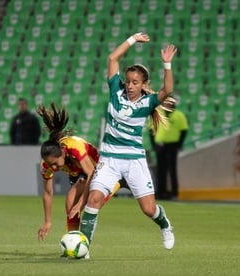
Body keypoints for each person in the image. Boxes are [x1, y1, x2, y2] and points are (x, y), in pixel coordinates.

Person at [79, 32, 177, 255]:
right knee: (93, 199)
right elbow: (113, 59)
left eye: (136, 82)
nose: (131, 85)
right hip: (109, 160)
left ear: (143, 85)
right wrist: (133, 39)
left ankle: (165, 224)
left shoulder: (147, 102)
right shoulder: (116, 92)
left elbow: (167, 90)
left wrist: (167, 64)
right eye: (129, 81)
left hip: (134, 161)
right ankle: (83, 247)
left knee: (148, 209)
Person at [36, 102, 126, 243]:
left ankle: (118, 182)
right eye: (49, 164)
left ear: (63, 153)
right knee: (71, 205)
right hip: (79, 175)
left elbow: (91, 173)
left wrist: (80, 205)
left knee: (88, 204)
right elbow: (48, 192)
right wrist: (47, 221)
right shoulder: (46, 165)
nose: (53, 168)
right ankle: (74, 243)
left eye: (55, 163)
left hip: (99, 169)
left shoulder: (74, 147)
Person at [149, 97, 188, 200]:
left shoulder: (179, 115)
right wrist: (154, 145)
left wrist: (179, 144)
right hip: (160, 145)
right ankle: (160, 192)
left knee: (172, 170)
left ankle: (174, 193)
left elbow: (184, 131)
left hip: (172, 145)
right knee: (160, 170)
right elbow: (151, 131)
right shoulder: (158, 114)